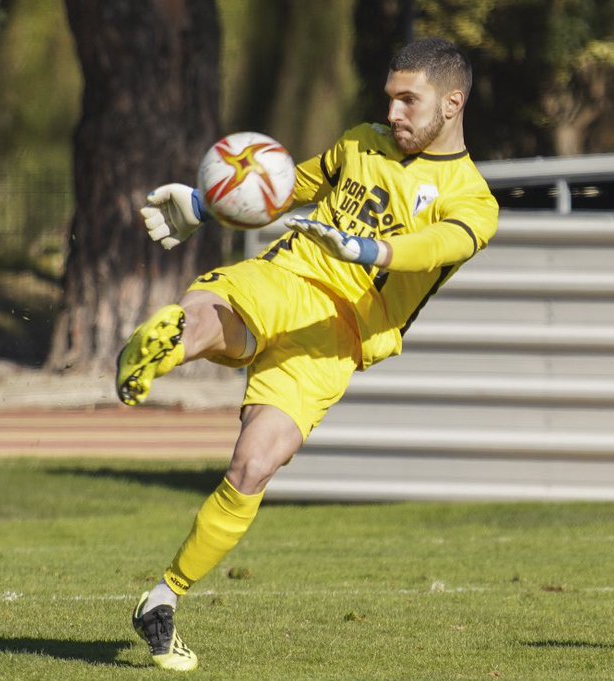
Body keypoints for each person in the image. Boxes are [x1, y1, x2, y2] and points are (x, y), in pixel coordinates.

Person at [118, 37, 499, 672]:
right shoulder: (361, 141)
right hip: (293, 274)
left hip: (342, 334)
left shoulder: (474, 201)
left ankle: (161, 601)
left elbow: (432, 249)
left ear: (452, 103)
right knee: (226, 313)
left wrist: (368, 252)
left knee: (256, 464)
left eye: (410, 100)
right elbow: (280, 186)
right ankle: (165, 344)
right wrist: (201, 204)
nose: (396, 112)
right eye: (391, 98)